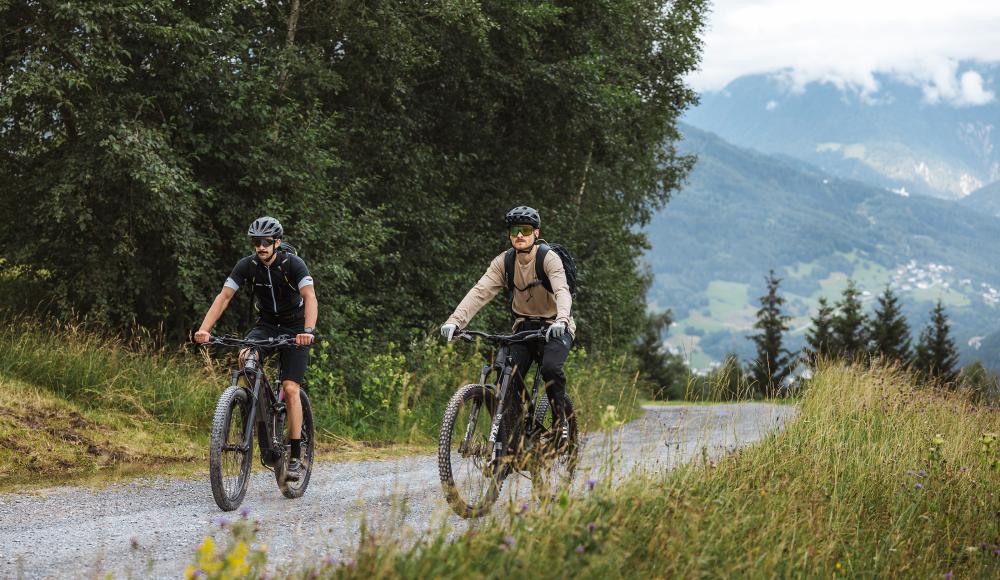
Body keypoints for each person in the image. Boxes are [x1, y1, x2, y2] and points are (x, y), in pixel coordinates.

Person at [194, 216, 317, 480]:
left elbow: (310, 296)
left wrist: (307, 331)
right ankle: (254, 407)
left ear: (277, 242)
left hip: (295, 328)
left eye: (265, 242)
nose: (260, 247)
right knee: (245, 357)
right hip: (267, 325)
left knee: (290, 388)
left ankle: (295, 455)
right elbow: (224, 296)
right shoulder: (247, 266)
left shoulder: (292, 264)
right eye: (256, 242)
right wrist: (204, 329)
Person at [440, 205, 576, 445]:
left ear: (536, 232)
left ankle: (560, 425)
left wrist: (562, 319)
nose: (519, 235)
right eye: (515, 230)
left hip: (555, 326)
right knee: (507, 378)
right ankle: (513, 443)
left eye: (525, 229)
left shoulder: (547, 258)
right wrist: (455, 321)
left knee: (551, 370)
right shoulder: (504, 262)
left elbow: (562, 290)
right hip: (524, 329)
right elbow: (479, 292)